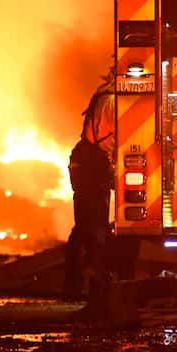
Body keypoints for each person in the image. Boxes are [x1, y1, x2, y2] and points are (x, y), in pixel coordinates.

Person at [62, 87, 115, 302]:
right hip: (90, 177)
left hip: (87, 174)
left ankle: (80, 283)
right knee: (90, 230)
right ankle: (86, 283)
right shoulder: (111, 102)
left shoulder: (102, 99)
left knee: (85, 230)